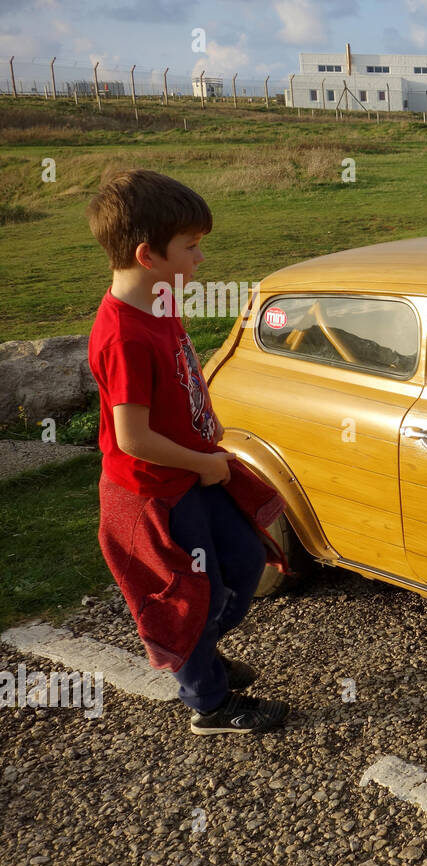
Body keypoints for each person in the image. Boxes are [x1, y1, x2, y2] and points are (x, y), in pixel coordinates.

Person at [87, 169, 290, 735]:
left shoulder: (161, 301)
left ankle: (196, 652)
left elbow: (180, 374)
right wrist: (203, 462)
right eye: (192, 247)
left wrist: (208, 424)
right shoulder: (123, 333)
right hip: (158, 492)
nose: (201, 258)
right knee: (188, 597)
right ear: (147, 254)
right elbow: (133, 438)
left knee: (246, 562)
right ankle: (209, 703)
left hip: (194, 475)